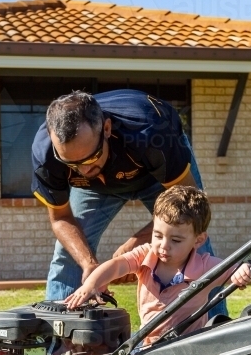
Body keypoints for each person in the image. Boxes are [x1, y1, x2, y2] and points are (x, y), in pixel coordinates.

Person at [31, 89, 228, 318]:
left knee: (190, 237)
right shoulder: (46, 155)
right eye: (72, 164)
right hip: (96, 189)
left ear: (106, 129)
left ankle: (217, 328)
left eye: (90, 158)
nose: (84, 170)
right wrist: (90, 266)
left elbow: (190, 211)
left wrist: (135, 243)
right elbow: (61, 218)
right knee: (68, 252)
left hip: (155, 175)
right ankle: (58, 339)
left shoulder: (152, 131)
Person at [65, 185, 251, 346]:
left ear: (198, 240)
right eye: (158, 235)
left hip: (189, 346)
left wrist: (243, 270)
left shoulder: (205, 266)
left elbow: (240, 271)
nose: (164, 246)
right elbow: (116, 265)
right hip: (147, 344)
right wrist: (91, 285)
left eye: (176, 240)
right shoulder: (145, 255)